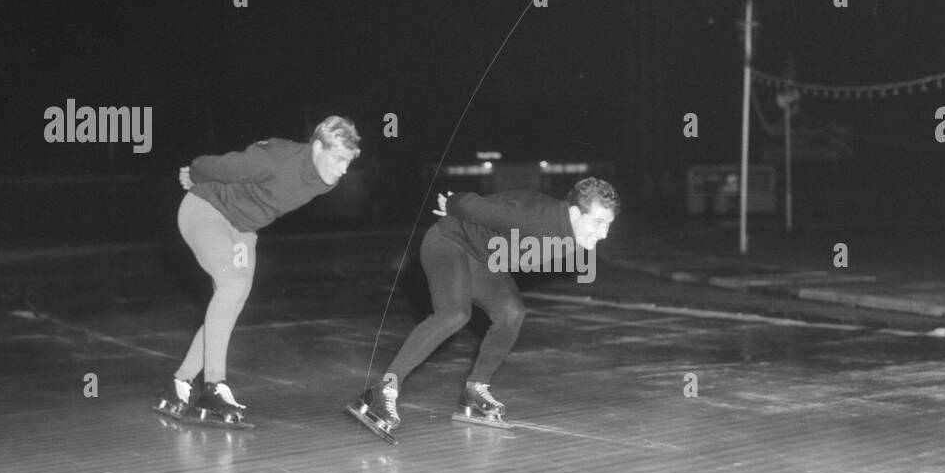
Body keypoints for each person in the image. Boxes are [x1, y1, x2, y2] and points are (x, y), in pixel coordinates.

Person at [350, 176, 620, 437]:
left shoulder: (572, 239)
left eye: (608, 224)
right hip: (449, 242)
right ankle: (382, 390)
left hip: (482, 259)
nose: (604, 234)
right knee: (454, 314)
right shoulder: (531, 216)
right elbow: (470, 205)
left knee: (511, 313)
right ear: (574, 212)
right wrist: (452, 203)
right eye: (598, 222)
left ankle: (475, 390)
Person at [154, 116, 361, 425]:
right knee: (233, 284)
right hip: (205, 210)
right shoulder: (274, 158)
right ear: (317, 146)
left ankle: (179, 383)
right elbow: (219, 166)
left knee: (234, 299)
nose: (343, 170)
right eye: (339, 159)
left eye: (348, 162)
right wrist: (193, 173)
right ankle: (214, 385)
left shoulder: (325, 181)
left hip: (243, 230)